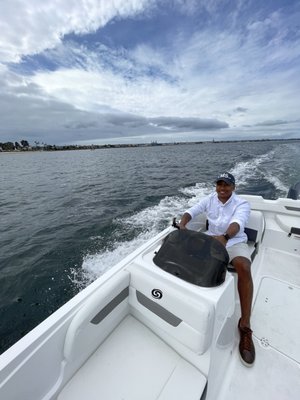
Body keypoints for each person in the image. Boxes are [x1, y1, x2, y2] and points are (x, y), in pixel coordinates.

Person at [179, 172, 255, 367]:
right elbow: (193, 210)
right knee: (187, 259)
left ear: (233, 187)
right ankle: (192, 309)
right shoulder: (210, 199)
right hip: (212, 240)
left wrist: (226, 237)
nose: (222, 188)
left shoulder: (242, 204)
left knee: (244, 267)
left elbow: (237, 224)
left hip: (233, 241)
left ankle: (245, 326)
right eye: (219, 185)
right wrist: (183, 223)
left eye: (226, 185)